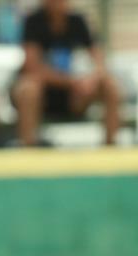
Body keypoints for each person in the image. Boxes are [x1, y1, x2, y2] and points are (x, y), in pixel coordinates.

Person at [12, 0, 123, 147]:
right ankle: (29, 148)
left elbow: (100, 61)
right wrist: (71, 82)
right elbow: (32, 67)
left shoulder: (78, 21)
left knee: (110, 85)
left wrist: (91, 79)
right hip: (44, 95)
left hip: (74, 95)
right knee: (29, 88)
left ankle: (111, 145)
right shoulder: (33, 22)